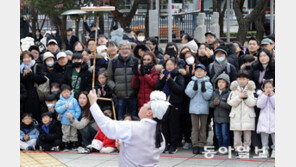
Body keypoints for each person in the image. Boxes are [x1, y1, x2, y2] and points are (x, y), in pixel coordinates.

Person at [88, 90, 170, 166]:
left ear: (149, 113)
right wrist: (125, 146)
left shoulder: (133, 127)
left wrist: (93, 103)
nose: (143, 105)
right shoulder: (160, 136)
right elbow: (140, 152)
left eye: (146, 104)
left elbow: (107, 125)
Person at [155, 58, 186, 154]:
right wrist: (161, 80)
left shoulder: (178, 75)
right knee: (165, 125)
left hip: (174, 103)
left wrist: (170, 80)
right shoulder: (163, 75)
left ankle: (174, 145)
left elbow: (179, 89)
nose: (169, 66)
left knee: (174, 125)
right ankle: (166, 144)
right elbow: (157, 88)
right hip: (164, 104)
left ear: (175, 65)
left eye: (171, 64)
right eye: (167, 64)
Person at [106, 40, 139, 120]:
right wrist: (115, 87)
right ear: (119, 50)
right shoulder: (113, 62)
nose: (125, 50)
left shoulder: (135, 61)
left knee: (134, 119)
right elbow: (109, 78)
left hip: (133, 96)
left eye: (127, 48)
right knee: (120, 119)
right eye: (122, 48)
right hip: (119, 97)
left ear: (130, 49)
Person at [227, 70, 257, 157]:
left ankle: (246, 150)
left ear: (248, 80)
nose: (242, 81)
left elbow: (253, 103)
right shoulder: (233, 91)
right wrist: (239, 97)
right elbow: (230, 102)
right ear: (237, 80)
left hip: (248, 117)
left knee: (247, 137)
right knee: (236, 136)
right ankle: (238, 150)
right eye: (240, 79)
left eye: (244, 79)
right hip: (236, 117)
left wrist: (246, 98)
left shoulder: (252, 90)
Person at [185, 64, 213, 154]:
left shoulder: (208, 83)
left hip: (204, 109)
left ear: (205, 73)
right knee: (195, 127)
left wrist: (204, 90)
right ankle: (195, 144)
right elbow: (189, 94)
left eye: (201, 71)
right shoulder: (191, 82)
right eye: (197, 70)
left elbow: (208, 97)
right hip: (193, 108)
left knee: (203, 127)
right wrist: (194, 89)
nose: (199, 72)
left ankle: (201, 144)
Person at [20, 51, 47, 122]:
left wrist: (30, 74)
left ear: (31, 58)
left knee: (36, 113)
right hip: (24, 95)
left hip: (35, 93)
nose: (27, 59)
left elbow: (42, 79)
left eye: (28, 57)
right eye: (24, 58)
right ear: (22, 59)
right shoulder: (20, 68)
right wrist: (23, 75)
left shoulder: (37, 66)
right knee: (26, 114)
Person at [55, 84, 81, 151]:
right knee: (65, 133)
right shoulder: (60, 101)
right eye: (64, 92)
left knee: (74, 133)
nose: (66, 94)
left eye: (68, 92)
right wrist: (64, 107)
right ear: (61, 93)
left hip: (73, 121)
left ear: (70, 92)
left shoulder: (74, 100)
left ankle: (74, 145)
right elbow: (57, 109)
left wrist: (74, 117)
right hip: (64, 121)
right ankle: (65, 146)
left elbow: (78, 110)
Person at [209, 73, 231, 151]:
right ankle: (220, 147)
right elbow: (210, 104)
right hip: (216, 118)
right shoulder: (214, 93)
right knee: (218, 134)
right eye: (219, 82)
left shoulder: (229, 93)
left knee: (225, 134)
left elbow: (229, 105)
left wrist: (220, 103)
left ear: (227, 84)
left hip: (225, 118)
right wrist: (214, 103)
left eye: (223, 82)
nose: (220, 84)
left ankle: (226, 147)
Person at [256, 79, 275, 159]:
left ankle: (275, 150)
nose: (268, 89)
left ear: (273, 88)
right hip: (263, 120)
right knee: (264, 135)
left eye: (270, 87)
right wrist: (264, 96)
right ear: (263, 88)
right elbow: (259, 105)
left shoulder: (276, 96)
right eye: (266, 87)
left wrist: (272, 96)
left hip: (274, 120)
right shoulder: (261, 96)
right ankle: (265, 149)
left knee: (274, 135)